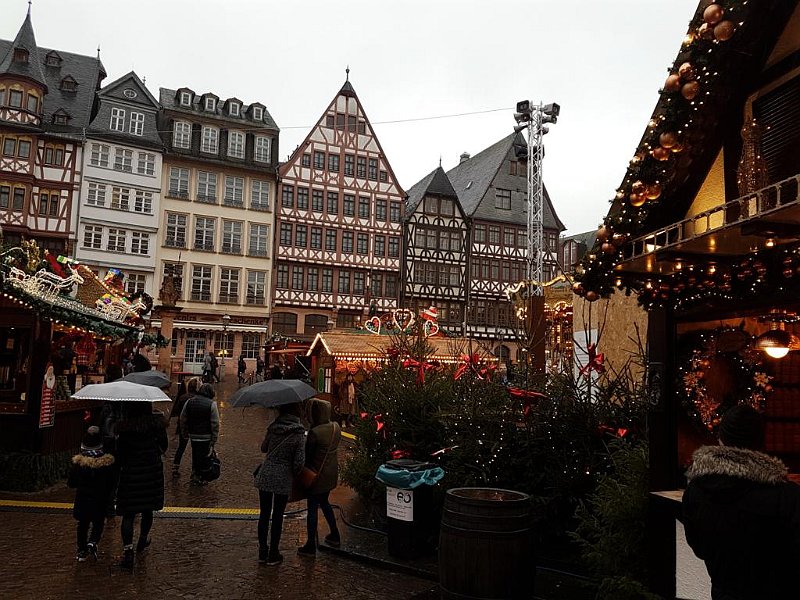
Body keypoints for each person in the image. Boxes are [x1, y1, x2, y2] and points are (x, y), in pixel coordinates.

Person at [682, 404, 800, 600]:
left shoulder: (697, 490)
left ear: (721, 440)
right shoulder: (787, 496)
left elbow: (699, 546)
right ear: (761, 444)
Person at [114, 402, 168, 570]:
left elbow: (119, 454)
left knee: (128, 514)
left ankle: (128, 551)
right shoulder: (156, 426)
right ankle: (143, 539)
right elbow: (164, 446)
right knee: (147, 509)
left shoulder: (125, 428)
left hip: (131, 474)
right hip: (151, 472)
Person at [254, 402, 305, 566]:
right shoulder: (298, 434)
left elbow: (264, 448)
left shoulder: (273, 428)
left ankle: (262, 551)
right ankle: (273, 553)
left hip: (266, 474)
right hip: (283, 477)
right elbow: (299, 463)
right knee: (277, 515)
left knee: (264, 514)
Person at [298, 399, 342, 556]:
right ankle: (335, 533)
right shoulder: (336, 427)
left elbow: (307, 456)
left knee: (312, 507)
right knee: (324, 502)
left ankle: (310, 544)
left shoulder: (315, 433)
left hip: (316, 476)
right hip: (330, 474)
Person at [68, 426, 116, 562]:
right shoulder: (106, 464)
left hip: (83, 499)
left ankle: (81, 550)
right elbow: (111, 483)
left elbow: (71, 483)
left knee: (82, 524)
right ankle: (93, 541)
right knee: (98, 522)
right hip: (100, 499)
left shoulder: (79, 464)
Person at [179, 383, 219, 485]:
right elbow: (215, 423)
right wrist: (214, 438)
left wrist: (184, 431)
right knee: (204, 456)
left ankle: (195, 474)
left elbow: (183, 418)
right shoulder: (211, 404)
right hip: (206, 436)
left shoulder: (189, 402)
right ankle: (201, 476)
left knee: (195, 454)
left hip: (193, 434)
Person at [170, 377, 200, 477]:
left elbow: (177, 410)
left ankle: (175, 467)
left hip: (183, 426)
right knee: (195, 450)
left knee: (181, 447)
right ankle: (194, 471)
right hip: (194, 427)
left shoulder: (183, 397)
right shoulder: (198, 399)